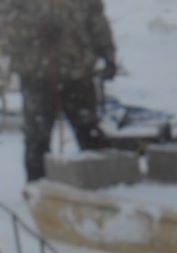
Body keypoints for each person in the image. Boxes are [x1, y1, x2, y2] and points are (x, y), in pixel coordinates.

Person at [1, 0, 117, 181]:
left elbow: (96, 19)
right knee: (37, 139)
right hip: (36, 75)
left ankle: (104, 188)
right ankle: (38, 191)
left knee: (90, 132)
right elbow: (5, 27)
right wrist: (34, 29)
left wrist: (108, 55)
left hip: (78, 72)